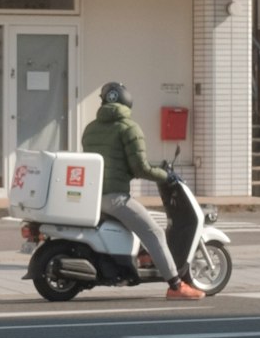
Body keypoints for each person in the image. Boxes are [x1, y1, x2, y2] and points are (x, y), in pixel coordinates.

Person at [81, 81, 204, 300]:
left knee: (136, 226)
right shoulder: (129, 128)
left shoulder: (90, 129)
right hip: (115, 197)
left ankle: (144, 259)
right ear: (127, 101)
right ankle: (176, 286)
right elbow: (140, 168)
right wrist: (168, 176)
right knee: (154, 232)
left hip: (94, 197)